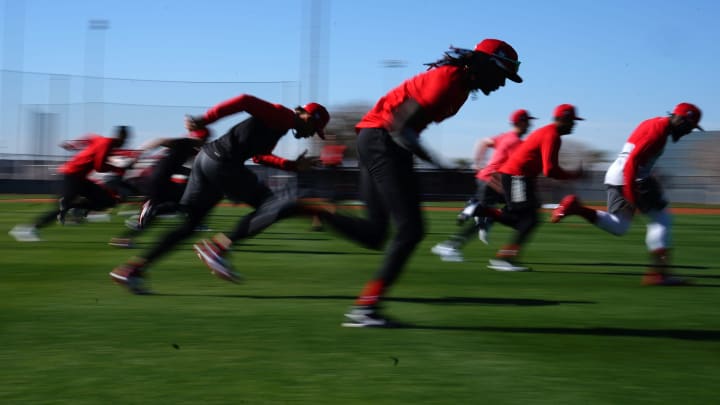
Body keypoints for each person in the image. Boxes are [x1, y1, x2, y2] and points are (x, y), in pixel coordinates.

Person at [310, 38, 524, 327]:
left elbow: (404, 129)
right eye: (502, 75)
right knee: (411, 230)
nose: (502, 84)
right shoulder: (448, 81)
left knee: (375, 234)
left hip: (377, 139)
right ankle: (366, 309)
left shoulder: (458, 86)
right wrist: (441, 166)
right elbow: (400, 128)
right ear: (486, 64)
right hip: (382, 140)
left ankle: (309, 209)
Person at [109, 94, 329, 294]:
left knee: (190, 225)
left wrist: (292, 166)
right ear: (309, 117)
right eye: (314, 130)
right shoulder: (282, 115)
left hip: (207, 160)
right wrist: (205, 119)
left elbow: (260, 157)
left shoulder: (281, 124)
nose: (311, 135)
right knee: (274, 205)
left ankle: (132, 269)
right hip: (223, 163)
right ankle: (218, 249)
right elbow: (245, 101)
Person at [550, 102, 703, 286]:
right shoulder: (659, 131)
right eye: (690, 127)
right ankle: (659, 274)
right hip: (631, 178)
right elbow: (632, 162)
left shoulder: (654, 123)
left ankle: (577, 208)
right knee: (661, 219)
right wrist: (631, 193)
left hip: (616, 175)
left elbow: (636, 157)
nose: (688, 132)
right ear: (683, 120)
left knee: (619, 226)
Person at [477, 104, 585, 272]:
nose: (574, 125)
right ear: (564, 119)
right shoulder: (552, 135)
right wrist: (572, 175)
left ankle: (484, 213)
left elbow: (544, 166)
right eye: (572, 121)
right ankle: (503, 258)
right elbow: (549, 169)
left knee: (523, 219)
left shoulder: (550, 132)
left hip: (518, 177)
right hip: (517, 176)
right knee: (528, 220)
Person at [431, 109, 536, 262]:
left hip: (487, 178)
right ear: (520, 122)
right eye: (528, 121)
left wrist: (478, 163)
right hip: (493, 181)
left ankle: (471, 212)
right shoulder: (516, 143)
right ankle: (450, 245)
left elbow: (483, 142)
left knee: (497, 215)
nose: (530, 125)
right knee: (488, 218)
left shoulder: (505, 137)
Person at [9, 126, 131, 242]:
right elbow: (99, 167)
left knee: (108, 200)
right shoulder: (107, 144)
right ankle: (27, 229)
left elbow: (89, 137)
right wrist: (117, 166)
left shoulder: (102, 140)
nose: (125, 143)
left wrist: (73, 145)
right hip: (71, 176)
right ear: (122, 137)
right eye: (125, 139)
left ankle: (76, 209)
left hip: (79, 178)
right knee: (61, 207)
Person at [108, 128, 211, 248]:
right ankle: (136, 226)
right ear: (199, 138)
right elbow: (159, 141)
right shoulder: (186, 142)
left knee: (175, 203)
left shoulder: (192, 150)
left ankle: (141, 222)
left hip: (161, 180)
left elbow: (184, 168)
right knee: (169, 206)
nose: (205, 142)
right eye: (205, 140)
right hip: (157, 180)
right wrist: (137, 155)